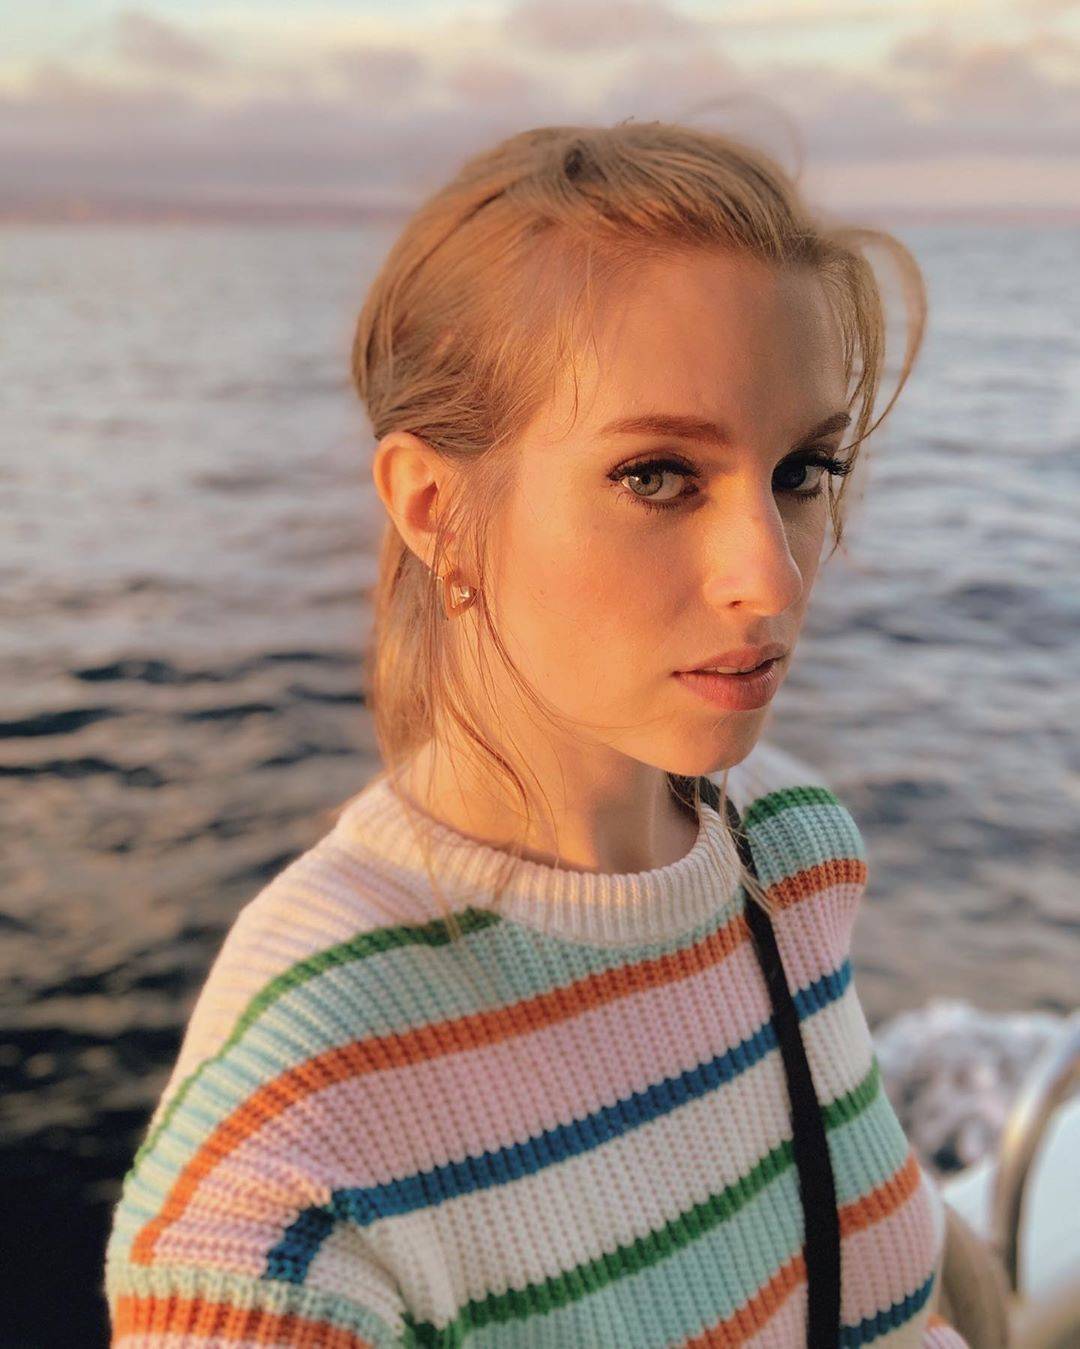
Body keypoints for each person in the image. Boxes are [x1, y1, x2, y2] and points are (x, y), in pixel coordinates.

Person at [103, 120, 1005, 1346]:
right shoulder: (299, 1124)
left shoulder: (791, 841)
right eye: (659, 475)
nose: (773, 578)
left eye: (801, 470)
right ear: (436, 506)